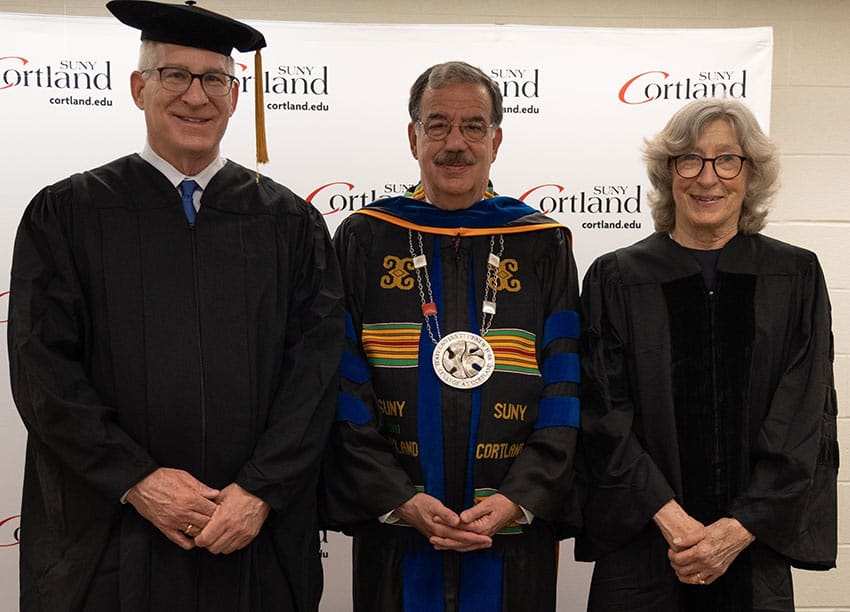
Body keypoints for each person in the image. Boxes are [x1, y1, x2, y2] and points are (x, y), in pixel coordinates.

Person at [7, 2, 343, 611]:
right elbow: (42, 370)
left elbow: (316, 375)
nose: (197, 96)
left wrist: (259, 490)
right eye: (176, 75)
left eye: (215, 79)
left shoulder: (289, 222)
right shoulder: (69, 212)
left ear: (235, 97)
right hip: (111, 533)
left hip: (251, 534)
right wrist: (136, 480)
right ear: (140, 88)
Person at [321, 60, 581, 611]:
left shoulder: (542, 243)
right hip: (398, 531)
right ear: (413, 137)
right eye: (437, 125)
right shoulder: (365, 238)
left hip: (512, 533)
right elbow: (342, 384)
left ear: (496, 140)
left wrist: (519, 497)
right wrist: (397, 497)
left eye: (473, 126)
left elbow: (566, 385)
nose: (455, 143)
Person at [575, 98, 838, 611]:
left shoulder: (794, 276)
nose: (707, 177)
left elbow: (804, 416)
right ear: (668, 172)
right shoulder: (618, 278)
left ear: (751, 173)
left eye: (727, 159)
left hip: (752, 549)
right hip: (646, 547)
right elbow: (603, 413)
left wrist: (737, 529)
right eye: (689, 159)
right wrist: (674, 521)